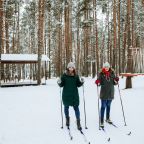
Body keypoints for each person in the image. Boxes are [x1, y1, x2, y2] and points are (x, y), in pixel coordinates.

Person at [57, 62, 84, 130]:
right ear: (67, 68)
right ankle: (67, 119)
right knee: (66, 107)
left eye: (72, 67)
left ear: (74, 68)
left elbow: (78, 84)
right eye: (70, 67)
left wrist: (81, 82)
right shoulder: (64, 76)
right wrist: (59, 82)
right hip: (66, 95)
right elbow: (61, 85)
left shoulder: (76, 76)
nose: (71, 69)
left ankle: (78, 122)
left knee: (76, 108)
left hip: (74, 95)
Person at [95, 62, 119, 128]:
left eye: (107, 67)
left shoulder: (112, 73)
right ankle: (102, 120)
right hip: (104, 93)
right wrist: (97, 82)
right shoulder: (101, 74)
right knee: (103, 107)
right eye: (105, 67)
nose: (106, 68)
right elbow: (99, 81)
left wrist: (116, 80)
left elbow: (114, 83)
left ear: (109, 67)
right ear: (103, 67)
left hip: (111, 92)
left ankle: (107, 118)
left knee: (108, 106)